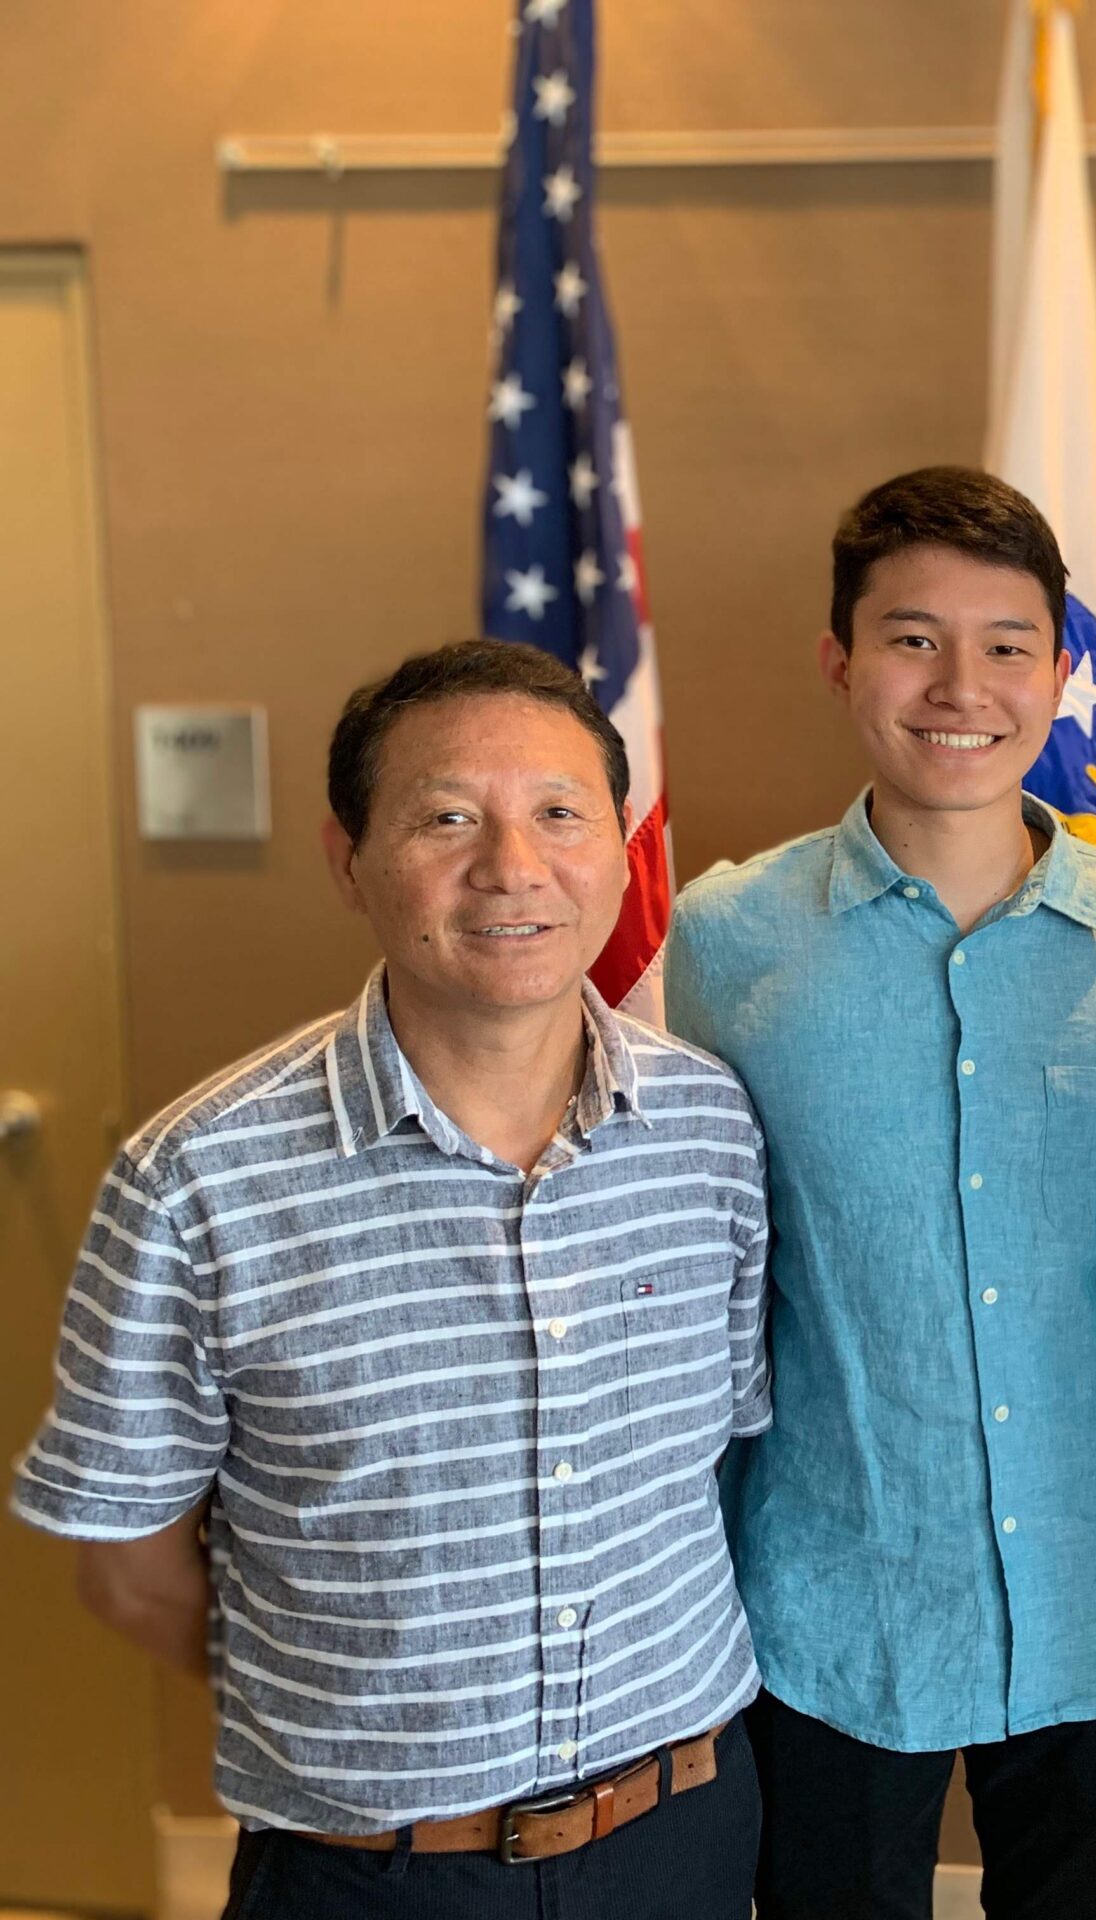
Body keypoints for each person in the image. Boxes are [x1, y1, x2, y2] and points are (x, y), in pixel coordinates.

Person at [9, 641, 770, 1919]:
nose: (511, 868)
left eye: (558, 814)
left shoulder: (710, 1127)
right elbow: (129, 1567)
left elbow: (720, 1456)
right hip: (371, 1877)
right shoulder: (197, 1179)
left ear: (622, 851)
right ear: (347, 858)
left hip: (683, 1837)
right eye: (447, 818)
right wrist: (362, 1690)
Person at [663, 467, 1096, 1920]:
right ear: (840, 660)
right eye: (912, 638)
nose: (962, 686)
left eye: (1008, 644)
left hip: (1093, 1593)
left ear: (1062, 669)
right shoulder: (726, 940)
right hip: (829, 1603)